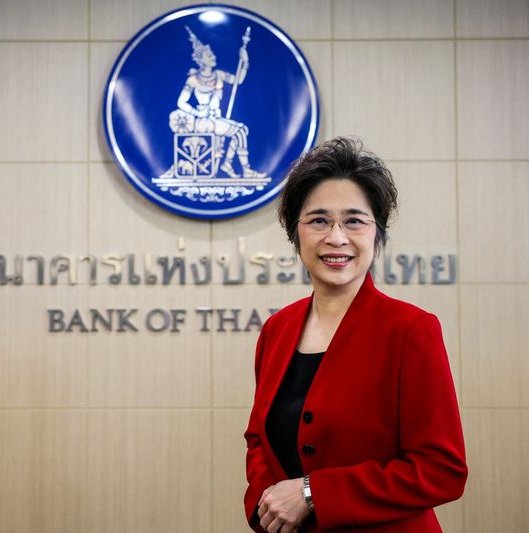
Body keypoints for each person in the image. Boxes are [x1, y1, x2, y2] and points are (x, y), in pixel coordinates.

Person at [244, 137, 467, 532]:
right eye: (318, 220)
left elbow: (441, 469)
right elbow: (258, 440)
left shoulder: (410, 330)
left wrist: (312, 494)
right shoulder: (276, 330)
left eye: (353, 220)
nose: (336, 237)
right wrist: (268, 505)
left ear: (376, 234)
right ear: (296, 235)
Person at [167, 26, 264, 178]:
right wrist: (197, 112)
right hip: (203, 121)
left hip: (215, 118)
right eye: (209, 55)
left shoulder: (218, 74)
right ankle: (244, 169)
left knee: (242, 130)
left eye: (212, 53)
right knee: (239, 131)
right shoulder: (193, 79)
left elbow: (238, 80)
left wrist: (245, 62)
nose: (213, 56)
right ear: (201, 60)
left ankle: (228, 164)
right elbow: (181, 102)